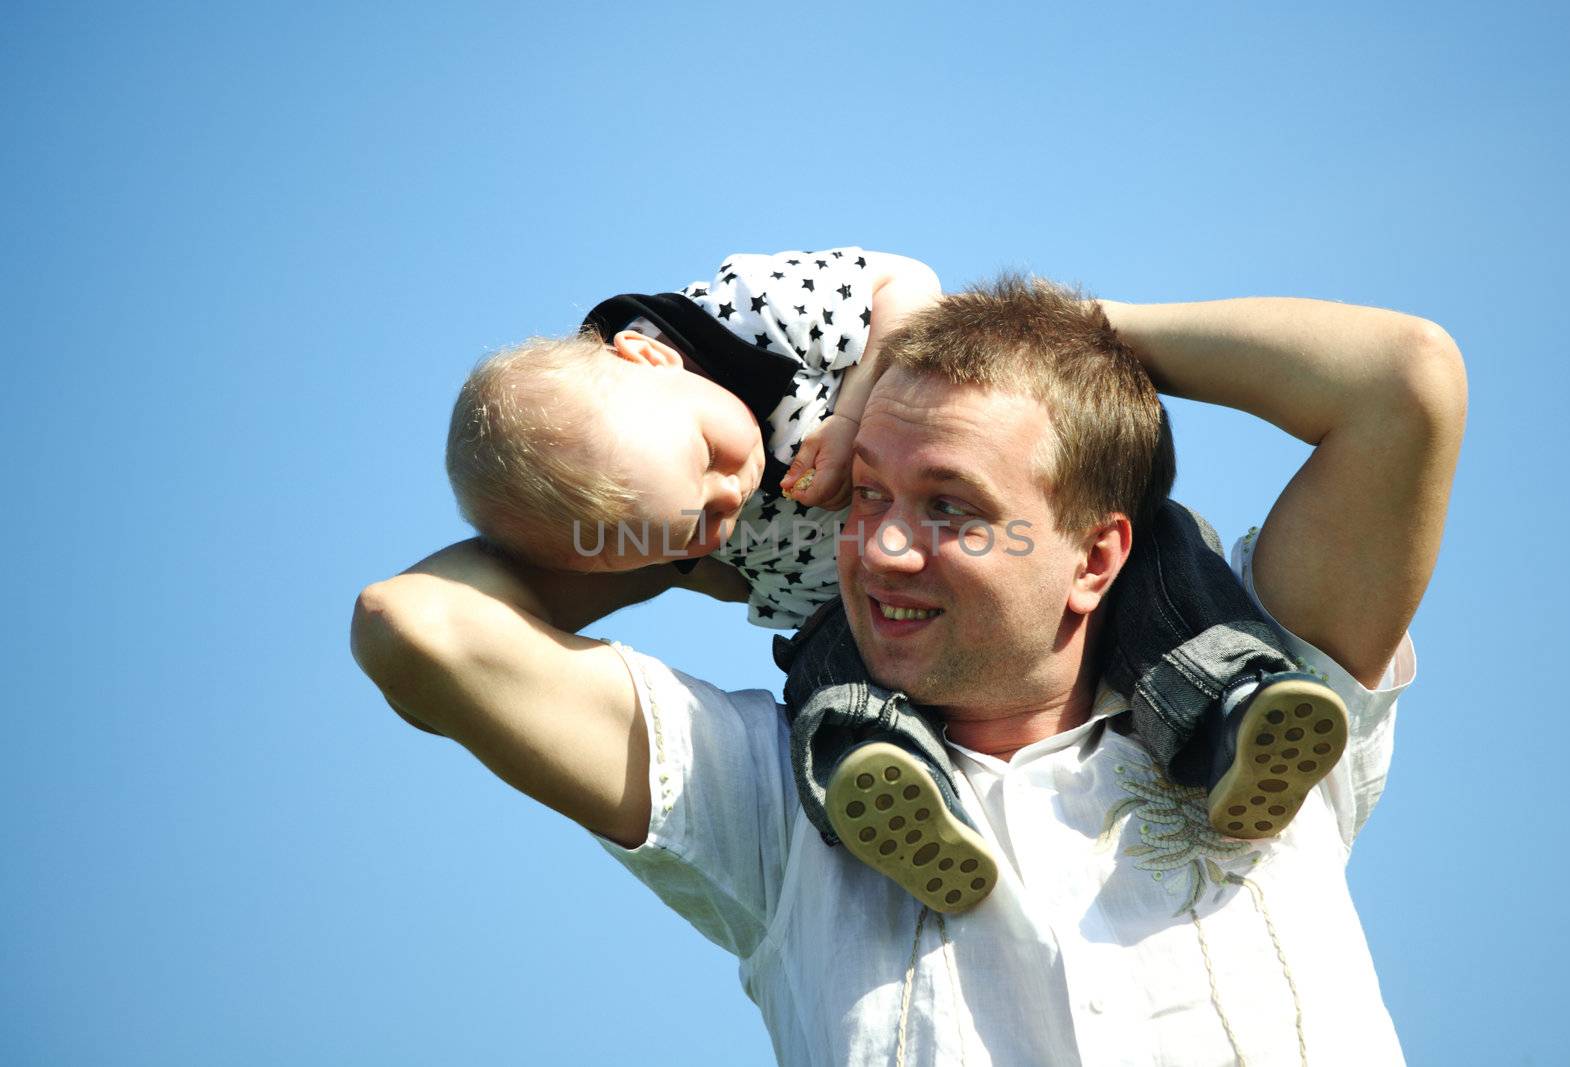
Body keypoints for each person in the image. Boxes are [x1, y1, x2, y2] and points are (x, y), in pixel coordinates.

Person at [353, 274, 1463, 1064]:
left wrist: (1070, 332)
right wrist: (663, 523)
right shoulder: (772, 795)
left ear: (1095, 556)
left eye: (949, 506)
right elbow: (418, 626)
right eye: (864, 494)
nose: (876, 545)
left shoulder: (1277, 684)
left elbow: (1403, 380)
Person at [434, 251, 1351, 915]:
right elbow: (704, 578)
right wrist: (620, 549)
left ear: (650, 360)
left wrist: (860, 406)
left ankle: (1238, 709)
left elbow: (902, 281)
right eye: (690, 527)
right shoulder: (653, 513)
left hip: (1017, 534)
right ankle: (885, 781)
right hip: (859, 609)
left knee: (1165, 560)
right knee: (827, 661)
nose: (730, 494)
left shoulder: (743, 313)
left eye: (711, 459)